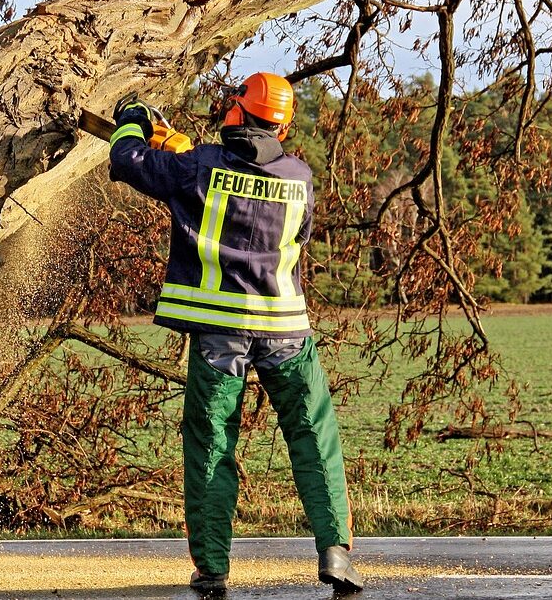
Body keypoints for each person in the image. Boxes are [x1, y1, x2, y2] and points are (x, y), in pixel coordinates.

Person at [108, 72, 363, 594]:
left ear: (237, 112)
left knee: (212, 444)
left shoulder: (198, 167)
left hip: (219, 335)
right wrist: (185, 149)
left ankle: (213, 570)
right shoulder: (300, 177)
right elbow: (267, 201)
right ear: (282, 126)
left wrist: (132, 122)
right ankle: (337, 555)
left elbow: (129, 161)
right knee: (314, 439)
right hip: (287, 331)